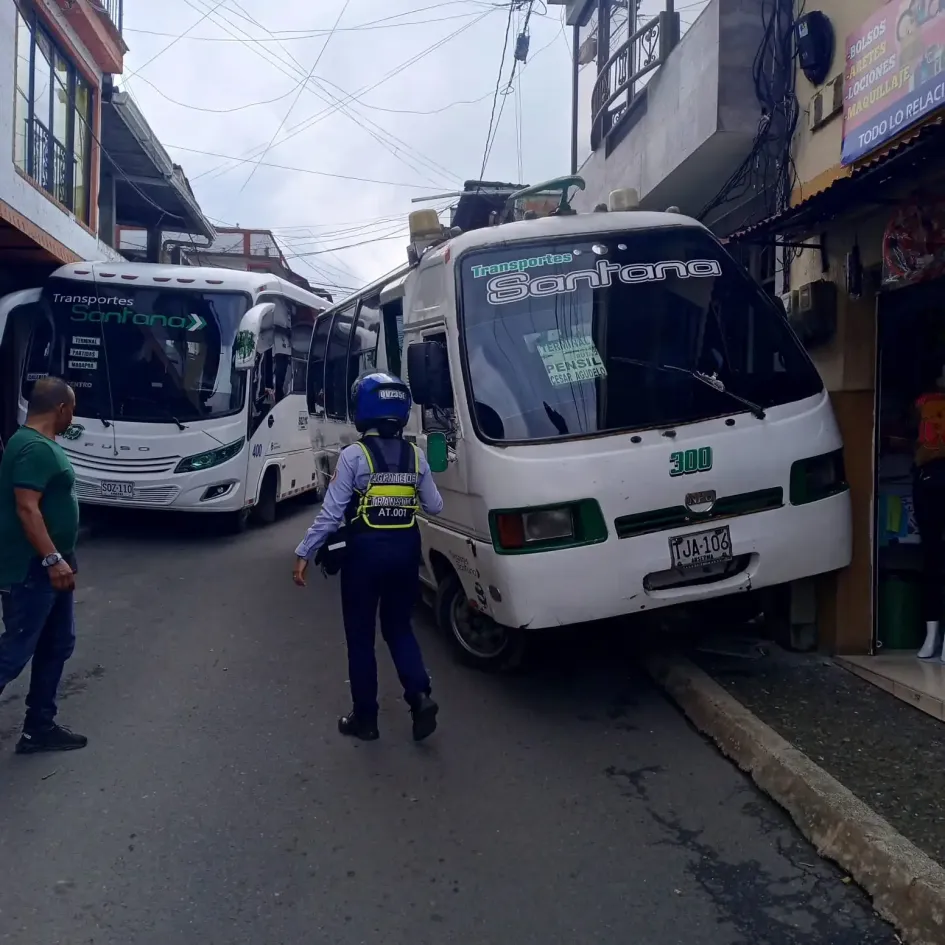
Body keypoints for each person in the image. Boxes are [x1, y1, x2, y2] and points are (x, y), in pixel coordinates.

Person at [293, 371, 444, 742]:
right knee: (399, 628)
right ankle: (420, 696)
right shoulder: (416, 456)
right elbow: (436, 506)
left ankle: (366, 720)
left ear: (364, 409)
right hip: (405, 553)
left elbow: (331, 514)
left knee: (361, 637)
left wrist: (304, 553)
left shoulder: (353, 457)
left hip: (364, 556)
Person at [0, 377, 86, 754]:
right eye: (73, 409)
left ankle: (39, 728)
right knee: (15, 651)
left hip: (54, 566)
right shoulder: (34, 448)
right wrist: (52, 559)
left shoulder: (36, 443)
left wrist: (66, 558)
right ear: (62, 409)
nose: (73, 416)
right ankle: (39, 726)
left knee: (56, 644)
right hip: (34, 570)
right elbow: (26, 508)